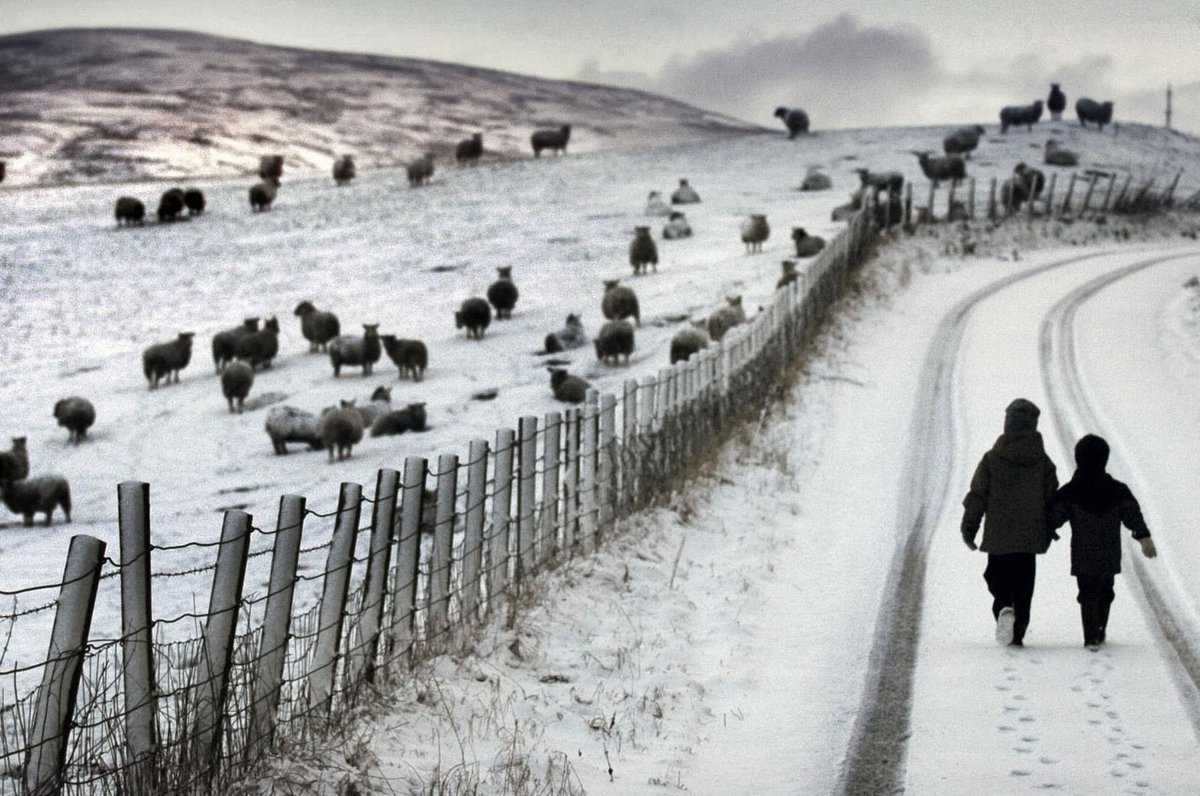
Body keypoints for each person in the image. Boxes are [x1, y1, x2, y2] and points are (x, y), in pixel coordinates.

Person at [961, 398, 1059, 647]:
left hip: (999, 536)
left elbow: (977, 496)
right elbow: (1052, 498)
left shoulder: (992, 459)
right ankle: (1019, 632)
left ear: (1008, 424)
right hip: (1030, 538)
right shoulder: (1043, 461)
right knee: (1024, 585)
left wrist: (969, 529)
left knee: (996, 576)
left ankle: (1004, 605)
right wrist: (1051, 527)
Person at [1050, 434, 1157, 648]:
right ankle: (1100, 628)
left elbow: (1054, 516)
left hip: (1083, 554)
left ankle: (1091, 635)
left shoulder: (1071, 491)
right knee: (1106, 592)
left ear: (1078, 459)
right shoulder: (1117, 490)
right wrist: (1143, 536)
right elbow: (1131, 514)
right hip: (1109, 553)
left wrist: (1045, 533)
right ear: (1104, 459)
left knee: (1087, 593)